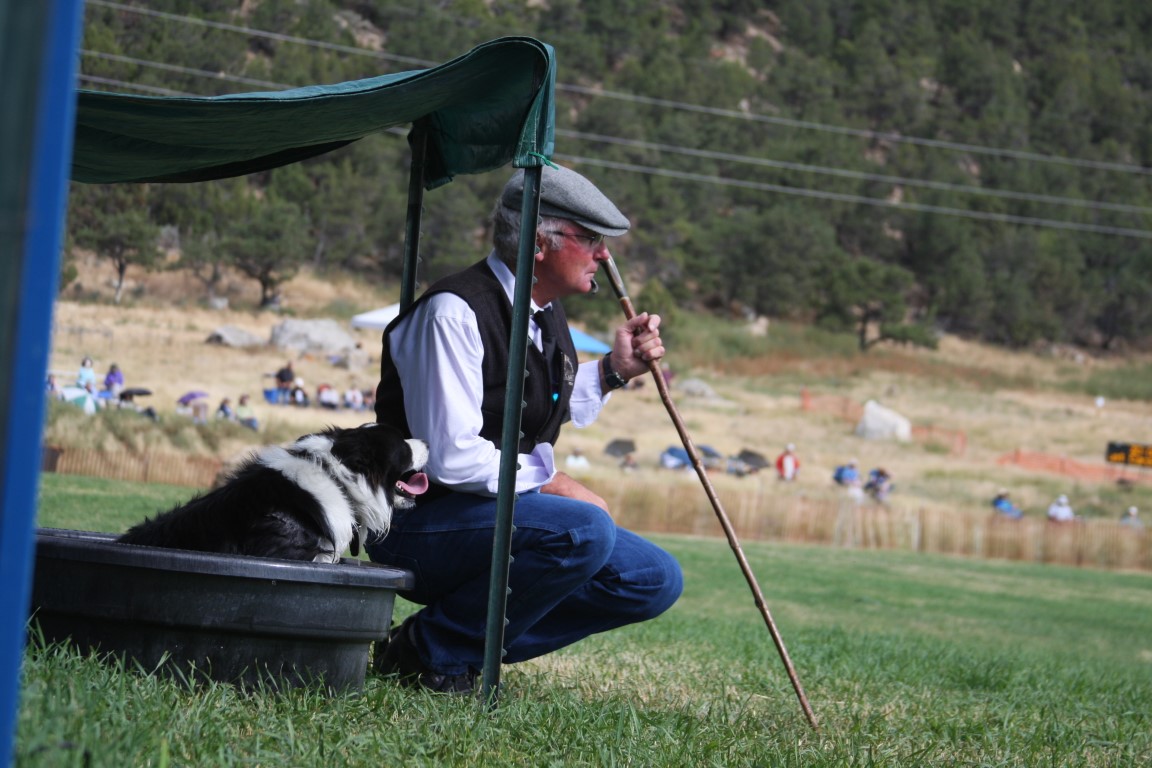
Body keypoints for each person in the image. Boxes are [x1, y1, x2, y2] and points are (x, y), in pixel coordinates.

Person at [368, 164, 683, 694]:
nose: (605, 256)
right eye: (591, 240)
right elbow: (450, 456)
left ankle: (441, 639)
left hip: (485, 517)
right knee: (582, 530)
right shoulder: (454, 312)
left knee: (651, 579)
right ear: (540, 243)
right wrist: (551, 481)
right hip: (417, 524)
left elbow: (533, 404)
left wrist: (612, 371)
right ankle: (437, 654)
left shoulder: (544, 310)